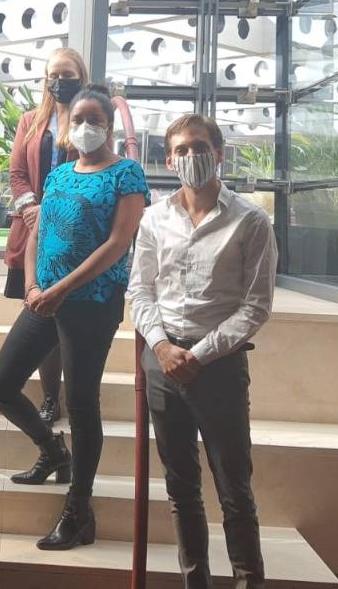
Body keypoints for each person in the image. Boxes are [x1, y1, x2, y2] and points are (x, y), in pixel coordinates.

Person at [0, 84, 148, 550]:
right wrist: (33, 286)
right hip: (44, 298)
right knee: (0, 385)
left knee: (80, 403)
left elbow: (117, 244)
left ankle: (79, 511)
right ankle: (54, 452)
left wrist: (59, 290)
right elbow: (37, 232)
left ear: (109, 126)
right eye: (78, 120)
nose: (85, 127)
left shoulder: (127, 174)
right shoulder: (58, 174)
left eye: (95, 119)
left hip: (90, 303)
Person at [126, 114, 276, 589]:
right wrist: (162, 347)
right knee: (181, 490)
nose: (191, 156)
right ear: (169, 160)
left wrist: (200, 354)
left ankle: (248, 581)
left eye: (199, 147)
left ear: (219, 153)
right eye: (181, 150)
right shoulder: (154, 218)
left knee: (234, 490)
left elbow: (256, 306)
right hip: (163, 364)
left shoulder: (250, 221)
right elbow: (140, 291)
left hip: (219, 367)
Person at [2, 47, 88, 425]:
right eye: (54, 75)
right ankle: (51, 397)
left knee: (66, 318)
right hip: (32, 232)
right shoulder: (30, 121)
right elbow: (17, 172)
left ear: (80, 78)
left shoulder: (89, 121)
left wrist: (57, 211)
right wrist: (32, 208)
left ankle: (77, 396)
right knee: (40, 318)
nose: (60, 81)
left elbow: (96, 168)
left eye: (67, 75)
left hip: (73, 233)